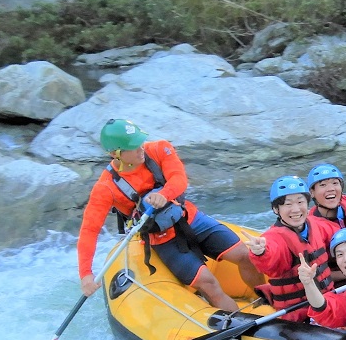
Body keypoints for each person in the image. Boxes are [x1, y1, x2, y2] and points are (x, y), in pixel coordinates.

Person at [77, 118, 260, 312]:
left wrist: (164, 194)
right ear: (116, 154)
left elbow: (179, 178)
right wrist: (86, 274)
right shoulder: (105, 188)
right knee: (208, 282)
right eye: (134, 147)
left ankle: (264, 301)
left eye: (140, 142)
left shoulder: (159, 149)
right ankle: (243, 328)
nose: (141, 149)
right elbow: (89, 230)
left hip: (190, 218)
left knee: (245, 255)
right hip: (162, 239)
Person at [241, 176, 346, 321]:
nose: (296, 209)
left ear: (307, 202)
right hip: (297, 312)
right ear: (276, 210)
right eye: (287, 204)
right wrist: (260, 252)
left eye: (300, 202)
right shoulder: (273, 238)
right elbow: (270, 260)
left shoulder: (317, 225)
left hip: (329, 299)